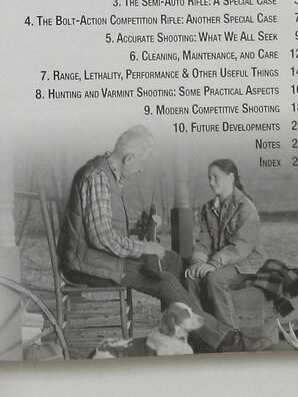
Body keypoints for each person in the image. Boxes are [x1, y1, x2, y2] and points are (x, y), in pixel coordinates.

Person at [55, 126, 242, 352]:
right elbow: (101, 237)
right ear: (129, 158)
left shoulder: (108, 175)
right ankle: (220, 338)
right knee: (163, 281)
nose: (141, 168)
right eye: (141, 162)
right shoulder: (98, 178)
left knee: (174, 261)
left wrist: (142, 227)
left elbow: (104, 226)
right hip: (85, 265)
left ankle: (184, 332)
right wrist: (144, 247)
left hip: (100, 257)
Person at [185, 158, 267, 346]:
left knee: (215, 278)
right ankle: (202, 334)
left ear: (231, 177)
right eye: (209, 178)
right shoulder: (208, 208)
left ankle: (232, 336)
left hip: (247, 262)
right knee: (191, 276)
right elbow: (204, 241)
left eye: (216, 177)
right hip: (222, 262)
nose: (211, 182)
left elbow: (241, 246)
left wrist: (213, 264)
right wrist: (198, 262)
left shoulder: (246, 207)